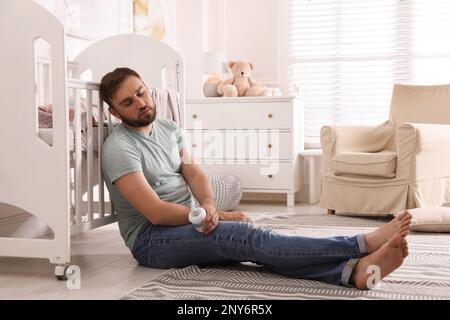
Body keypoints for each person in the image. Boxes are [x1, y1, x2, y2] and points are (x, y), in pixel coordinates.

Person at [99, 67, 411, 290]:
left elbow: (193, 171)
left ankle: (353, 273)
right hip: (152, 240)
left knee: (251, 245)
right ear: (115, 112)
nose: (140, 103)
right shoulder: (119, 148)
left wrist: (208, 204)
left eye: (140, 92)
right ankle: (361, 243)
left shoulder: (167, 128)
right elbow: (154, 212)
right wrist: (212, 216)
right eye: (128, 102)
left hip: (189, 220)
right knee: (245, 238)